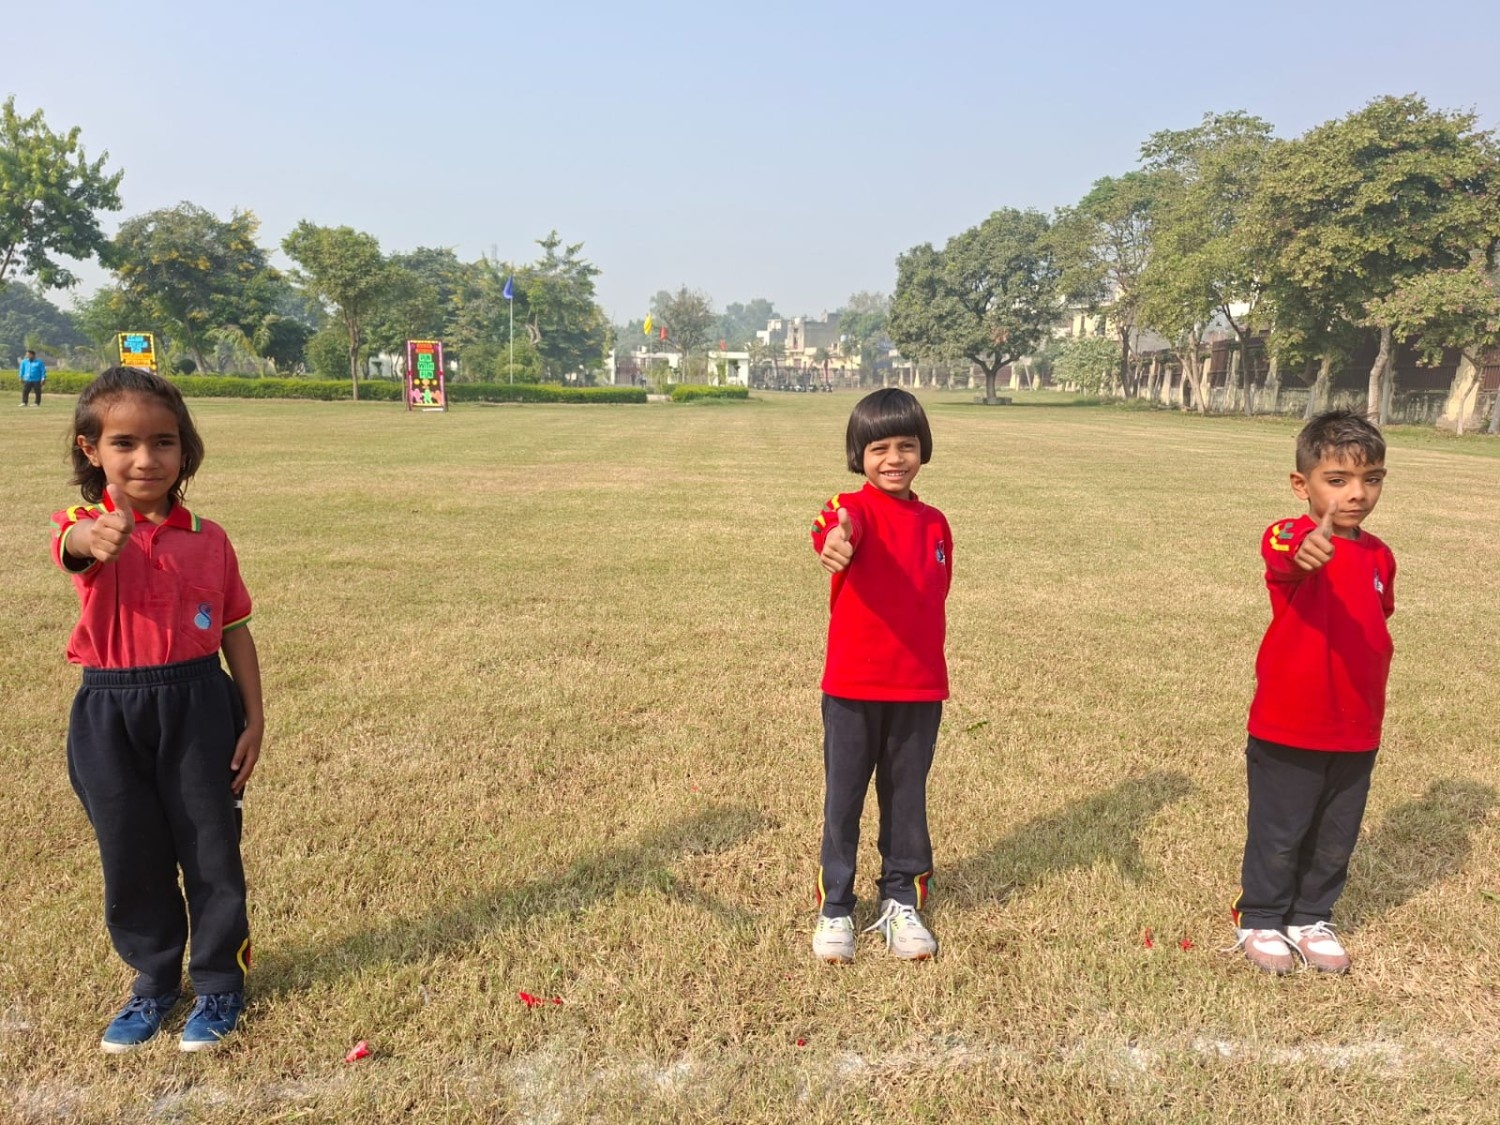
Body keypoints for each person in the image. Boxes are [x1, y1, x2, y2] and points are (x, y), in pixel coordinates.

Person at [49, 366, 264, 1051]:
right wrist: (96, 539)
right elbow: (73, 547)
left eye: (163, 441)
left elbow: (235, 630)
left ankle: (221, 982)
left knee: (210, 849)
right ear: (91, 449)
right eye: (124, 442)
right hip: (108, 712)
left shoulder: (209, 536)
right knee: (130, 852)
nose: (146, 458)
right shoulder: (86, 525)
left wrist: (255, 719)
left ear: (184, 448)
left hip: (199, 703)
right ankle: (153, 982)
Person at [1231, 410, 1394, 975]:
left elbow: (1377, 617)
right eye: (1338, 480)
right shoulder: (1293, 537)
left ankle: (1310, 916)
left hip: (1357, 726)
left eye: (1372, 479)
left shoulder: (1379, 555)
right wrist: (1306, 549)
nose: (1357, 493)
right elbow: (1284, 548)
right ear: (1303, 484)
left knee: (1335, 833)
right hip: (1291, 722)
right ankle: (1261, 916)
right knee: (1280, 830)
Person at [808, 388, 953, 962]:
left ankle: (901, 900)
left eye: (906, 446)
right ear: (859, 455)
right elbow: (832, 526)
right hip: (853, 688)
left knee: (907, 799)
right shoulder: (852, 508)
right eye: (879, 449)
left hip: (919, 689)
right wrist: (834, 541)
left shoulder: (936, 523)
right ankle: (836, 908)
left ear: (923, 449)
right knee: (843, 799)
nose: (894, 459)